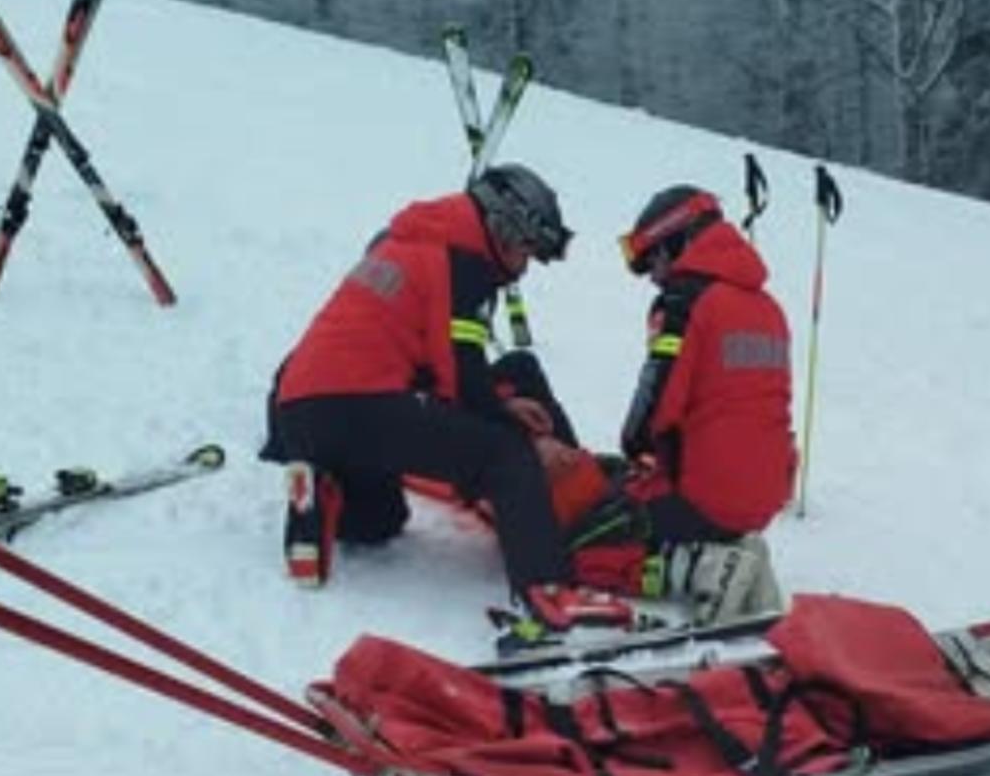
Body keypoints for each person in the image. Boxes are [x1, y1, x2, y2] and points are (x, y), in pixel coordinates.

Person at [261, 164, 625, 631]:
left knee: (381, 520)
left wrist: (498, 405)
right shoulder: (461, 262)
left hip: (305, 411)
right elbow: (464, 382)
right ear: (503, 229)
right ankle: (550, 595)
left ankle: (324, 486)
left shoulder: (412, 243)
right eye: (525, 251)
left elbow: (438, 367)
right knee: (504, 453)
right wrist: (525, 439)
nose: (524, 267)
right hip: (361, 401)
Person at [560, 184, 796, 625]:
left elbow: (654, 406)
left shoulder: (685, 302)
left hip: (706, 494)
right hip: (764, 492)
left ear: (679, 240)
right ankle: (725, 549)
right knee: (627, 493)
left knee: (574, 547)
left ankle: (696, 570)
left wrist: (637, 450)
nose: (654, 275)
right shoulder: (768, 308)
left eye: (655, 260)